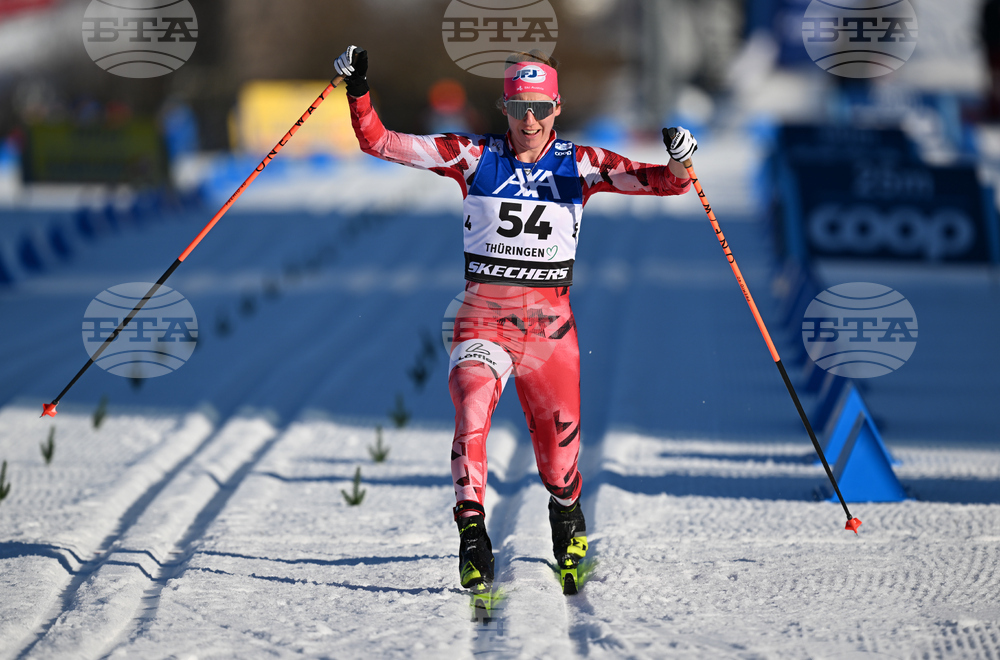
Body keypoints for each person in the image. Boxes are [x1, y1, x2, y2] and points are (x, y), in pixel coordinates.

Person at [334, 45, 697, 594]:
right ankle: (472, 535)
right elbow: (380, 141)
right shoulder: (472, 156)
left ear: (558, 108)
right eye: (518, 107)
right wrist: (358, 89)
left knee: (559, 467)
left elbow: (668, 183)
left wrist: (681, 157)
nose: (529, 120)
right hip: (483, 320)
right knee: (471, 407)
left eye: (541, 108)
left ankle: (567, 516)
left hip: (550, 335)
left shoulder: (581, 165)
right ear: (503, 108)